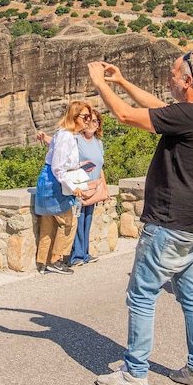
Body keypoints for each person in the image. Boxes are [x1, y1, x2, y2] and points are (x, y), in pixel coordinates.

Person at [90, 53, 193, 385]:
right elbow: (159, 110)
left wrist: (100, 85)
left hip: (169, 222)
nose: (168, 79)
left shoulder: (191, 115)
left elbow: (124, 115)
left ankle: (135, 373)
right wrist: (121, 81)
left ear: (187, 81)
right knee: (192, 297)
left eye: (172, 75)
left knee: (141, 295)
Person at [33, 101, 92, 275]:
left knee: (48, 223)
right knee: (69, 222)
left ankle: (42, 261)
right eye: (85, 117)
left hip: (49, 180)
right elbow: (58, 167)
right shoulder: (66, 136)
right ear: (75, 117)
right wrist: (73, 187)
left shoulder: (64, 134)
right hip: (56, 183)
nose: (88, 120)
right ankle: (56, 260)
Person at [69, 108, 107, 266]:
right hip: (79, 187)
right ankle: (75, 256)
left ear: (99, 125)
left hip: (93, 187)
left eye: (95, 121)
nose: (92, 124)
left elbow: (101, 166)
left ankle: (85, 253)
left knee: (87, 220)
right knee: (77, 220)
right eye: (89, 120)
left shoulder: (99, 143)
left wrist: (104, 186)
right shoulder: (76, 139)